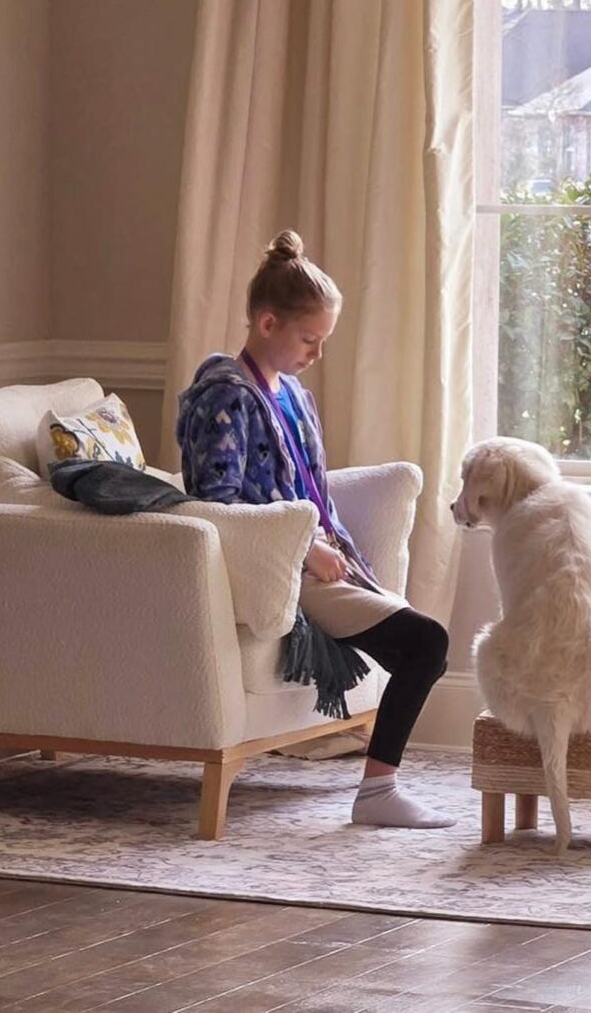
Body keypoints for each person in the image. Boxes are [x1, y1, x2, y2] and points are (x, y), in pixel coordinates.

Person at [176, 229, 452, 829]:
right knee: (426, 643)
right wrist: (305, 552)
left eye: (324, 340)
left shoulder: (294, 396)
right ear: (267, 323)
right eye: (309, 339)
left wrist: (333, 551)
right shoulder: (223, 398)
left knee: (419, 643)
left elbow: (311, 490)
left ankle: (379, 788)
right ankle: (378, 793)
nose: (317, 354)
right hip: (275, 566)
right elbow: (217, 506)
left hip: (318, 556)